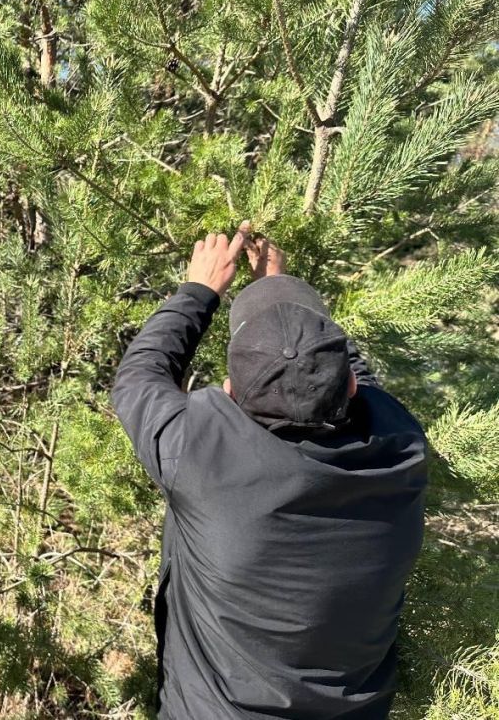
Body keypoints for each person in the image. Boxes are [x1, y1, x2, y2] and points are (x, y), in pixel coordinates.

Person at [112, 227, 428, 719]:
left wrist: (200, 289)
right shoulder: (402, 449)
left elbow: (139, 375)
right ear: (347, 384)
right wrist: (287, 306)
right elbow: (356, 382)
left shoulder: (202, 458)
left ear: (229, 392)